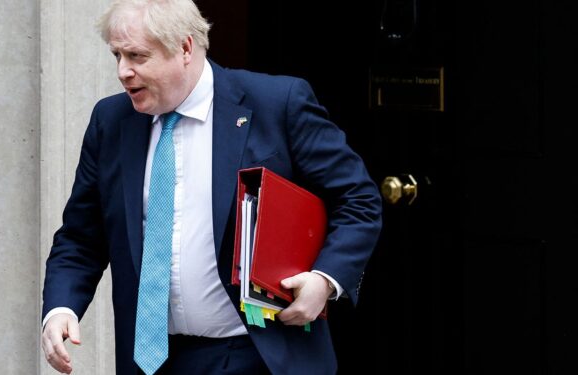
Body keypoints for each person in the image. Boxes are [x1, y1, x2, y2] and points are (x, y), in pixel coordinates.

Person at [41, 0, 382, 374]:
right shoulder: (111, 120)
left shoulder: (276, 104)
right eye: (117, 56)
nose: (124, 71)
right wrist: (61, 308)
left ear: (185, 48)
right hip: (156, 361)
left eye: (137, 56)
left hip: (261, 352)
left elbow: (358, 200)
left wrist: (324, 279)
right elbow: (80, 236)